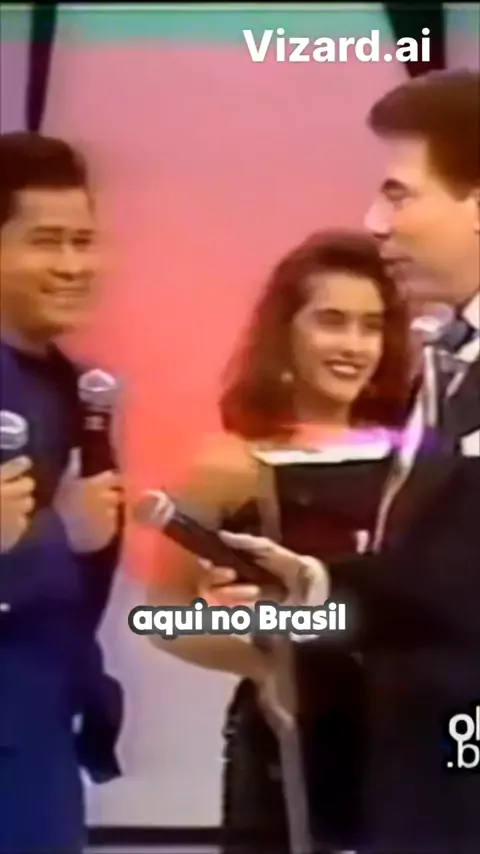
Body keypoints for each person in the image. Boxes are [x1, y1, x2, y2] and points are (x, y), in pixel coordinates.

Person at [205, 69, 480, 854]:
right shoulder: (449, 368)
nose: (376, 221)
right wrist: (311, 587)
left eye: (400, 194)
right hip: (406, 782)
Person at [147, 229, 411, 852]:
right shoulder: (230, 464)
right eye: (331, 321)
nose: (353, 345)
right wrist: (262, 660)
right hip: (286, 745)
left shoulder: (417, 459)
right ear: (286, 332)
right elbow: (160, 615)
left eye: (371, 326)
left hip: (409, 741)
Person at [0, 133, 125, 854]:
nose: (73, 266)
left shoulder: (75, 386)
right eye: (47, 242)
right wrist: (58, 535)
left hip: (44, 729)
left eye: (84, 241)